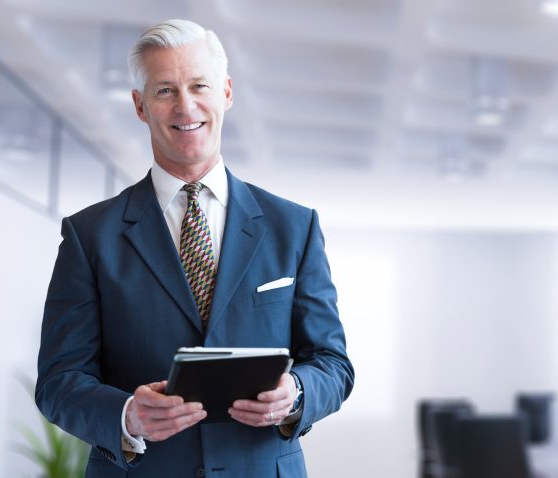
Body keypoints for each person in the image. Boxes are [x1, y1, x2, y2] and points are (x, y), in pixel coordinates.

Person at [35, 19, 354, 477]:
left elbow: (333, 364)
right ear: (140, 106)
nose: (185, 105)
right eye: (164, 90)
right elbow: (58, 383)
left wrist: (297, 393)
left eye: (198, 85)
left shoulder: (294, 227)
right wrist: (127, 415)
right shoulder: (90, 235)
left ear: (225, 92)